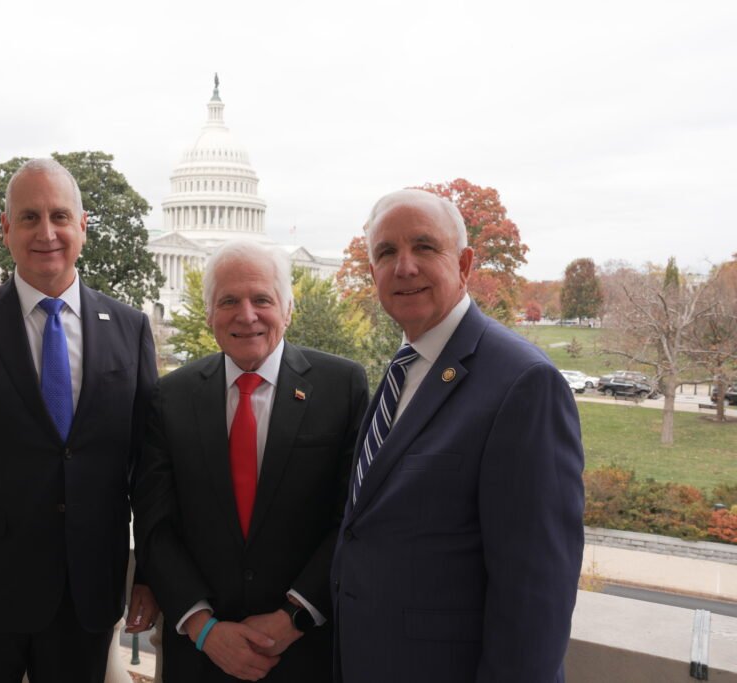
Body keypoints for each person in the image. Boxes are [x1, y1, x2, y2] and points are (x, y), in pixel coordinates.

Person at [0, 158, 159, 682]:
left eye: (60, 216)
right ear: (5, 228)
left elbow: (149, 468)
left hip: (87, 598)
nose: (47, 233)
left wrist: (148, 575)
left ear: (83, 226)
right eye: (29, 217)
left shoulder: (130, 329)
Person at [331, 189, 585, 682]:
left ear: (465, 263)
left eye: (425, 247)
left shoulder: (522, 383)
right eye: (386, 253)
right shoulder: (406, 369)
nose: (404, 267)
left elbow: (536, 597)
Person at [134, 240, 369, 682]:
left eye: (262, 299)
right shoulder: (171, 397)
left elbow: (352, 518)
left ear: (289, 308)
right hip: (200, 655)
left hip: (306, 652)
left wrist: (293, 617)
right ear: (208, 314)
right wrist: (204, 629)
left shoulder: (343, 386)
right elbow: (155, 524)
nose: (246, 315)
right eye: (228, 301)